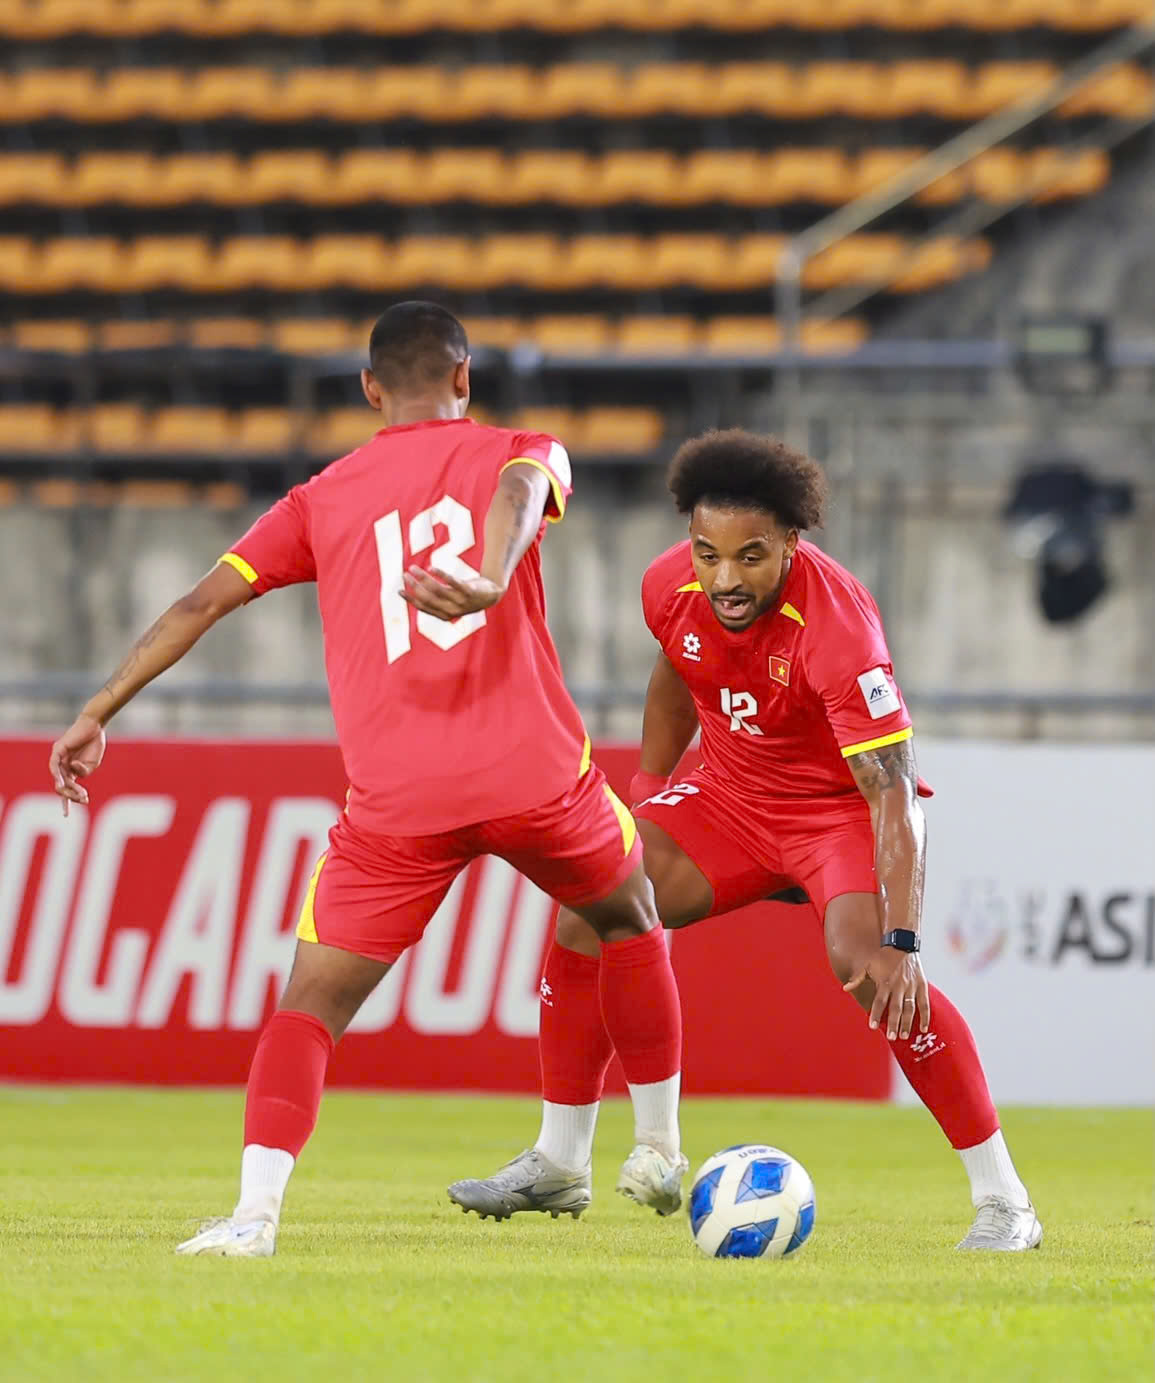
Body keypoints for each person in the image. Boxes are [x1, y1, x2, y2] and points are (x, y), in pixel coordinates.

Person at [48, 301, 686, 1258]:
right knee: (630, 913)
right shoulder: (525, 445)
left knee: (309, 1005)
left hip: (399, 805)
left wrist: (101, 704)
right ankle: (659, 1146)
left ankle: (254, 1217)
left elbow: (200, 601)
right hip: (535, 778)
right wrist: (488, 574)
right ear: (465, 378)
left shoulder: (319, 498)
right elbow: (523, 484)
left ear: (369, 389)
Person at [450, 428, 1042, 1253]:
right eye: (707, 552)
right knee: (589, 899)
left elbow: (894, 789)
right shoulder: (669, 585)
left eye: (750, 556)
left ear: (792, 542)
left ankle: (1004, 1200)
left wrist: (902, 942)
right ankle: (559, 1160)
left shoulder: (838, 629)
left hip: (836, 813)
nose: (724, 577)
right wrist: (652, 789)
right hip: (728, 797)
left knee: (873, 972)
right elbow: (675, 673)